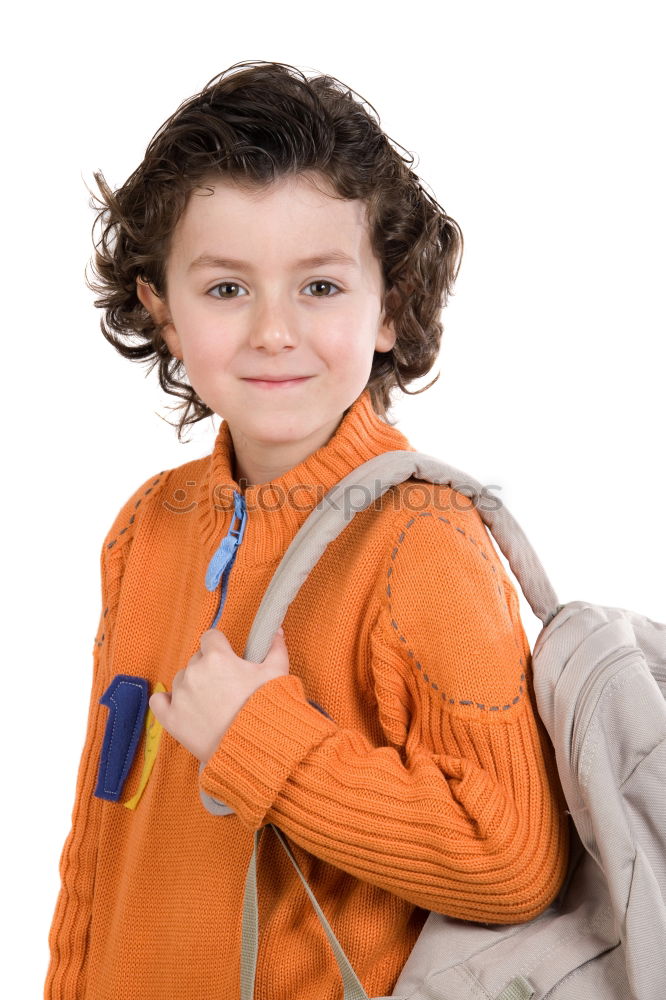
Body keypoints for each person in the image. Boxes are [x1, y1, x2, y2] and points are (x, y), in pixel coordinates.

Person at [45, 59, 569, 1000]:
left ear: (391, 305)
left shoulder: (423, 539)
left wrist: (259, 739)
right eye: (226, 289)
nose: (274, 331)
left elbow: (513, 857)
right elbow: (102, 833)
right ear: (161, 307)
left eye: (320, 287)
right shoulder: (149, 528)